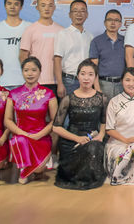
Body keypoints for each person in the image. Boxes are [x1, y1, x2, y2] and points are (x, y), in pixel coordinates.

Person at [52, 59, 109, 190]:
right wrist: (77, 138)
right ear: (77, 76)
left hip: (92, 137)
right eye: (83, 74)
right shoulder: (68, 99)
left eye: (90, 74)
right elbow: (56, 127)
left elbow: (104, 122)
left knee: (94, 147)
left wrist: (101, 135)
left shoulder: (102, 98)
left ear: (95, 77)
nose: (86, 78)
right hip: (72, 140)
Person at [5, 57, 57, 184]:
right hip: (21, 136)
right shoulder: (13, 94)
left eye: (34, 70)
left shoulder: (49, 94)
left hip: (41, 137)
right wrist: (23, 134)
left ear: (40, 71)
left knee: (39, 169)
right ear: (22, 72)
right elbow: (8, 120)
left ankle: (35, 167)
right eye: (26, 70)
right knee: (20, 140)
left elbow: (54, 121)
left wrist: (38, 135)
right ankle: (24, 170)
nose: (30, 73)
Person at [104, 67, 134, 186]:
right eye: (127, 80)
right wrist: (126, 140)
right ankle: (117, 176)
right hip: (117, 143)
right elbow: (109, 129)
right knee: (127, 153)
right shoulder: (114, 101)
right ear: (122, 81)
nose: (131, 84)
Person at [0, 0, 32, 89]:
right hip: (1, 81)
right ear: (5, 5)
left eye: (16, 4)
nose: (12, 7)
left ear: (21, 7)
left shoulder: (29, 27)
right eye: (9, 3)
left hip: (24, 81)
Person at [20, 0, 63, 94]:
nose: (46, 9)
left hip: (56, 82)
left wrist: (60, 81)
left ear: (54, 8)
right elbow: (23, 56)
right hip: (36, 81)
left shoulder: (61, 30)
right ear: (37, 7)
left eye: (50, 5)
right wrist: (30, 76)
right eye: (43, 5)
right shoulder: (30, 30)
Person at [54, 0, 93, 98]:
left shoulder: (90, 36)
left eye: (82, 11)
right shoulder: (63, 34)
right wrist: (60, 83)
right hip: (69, 81)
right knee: (67, 108)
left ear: (87, 14)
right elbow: (57, 60)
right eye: (75, 11)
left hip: (86, 81)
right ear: (70, 14)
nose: (79, 14)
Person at [89, 9, 126, 100]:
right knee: (104, 109)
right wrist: (97, 88)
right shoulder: (96, 41)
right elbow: (93, 67)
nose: (113, 23)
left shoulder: (125, 41)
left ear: (120, 24)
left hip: (122, 84)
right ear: (105, 23)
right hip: (103, 84)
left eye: (116, 20)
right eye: (110, 20)